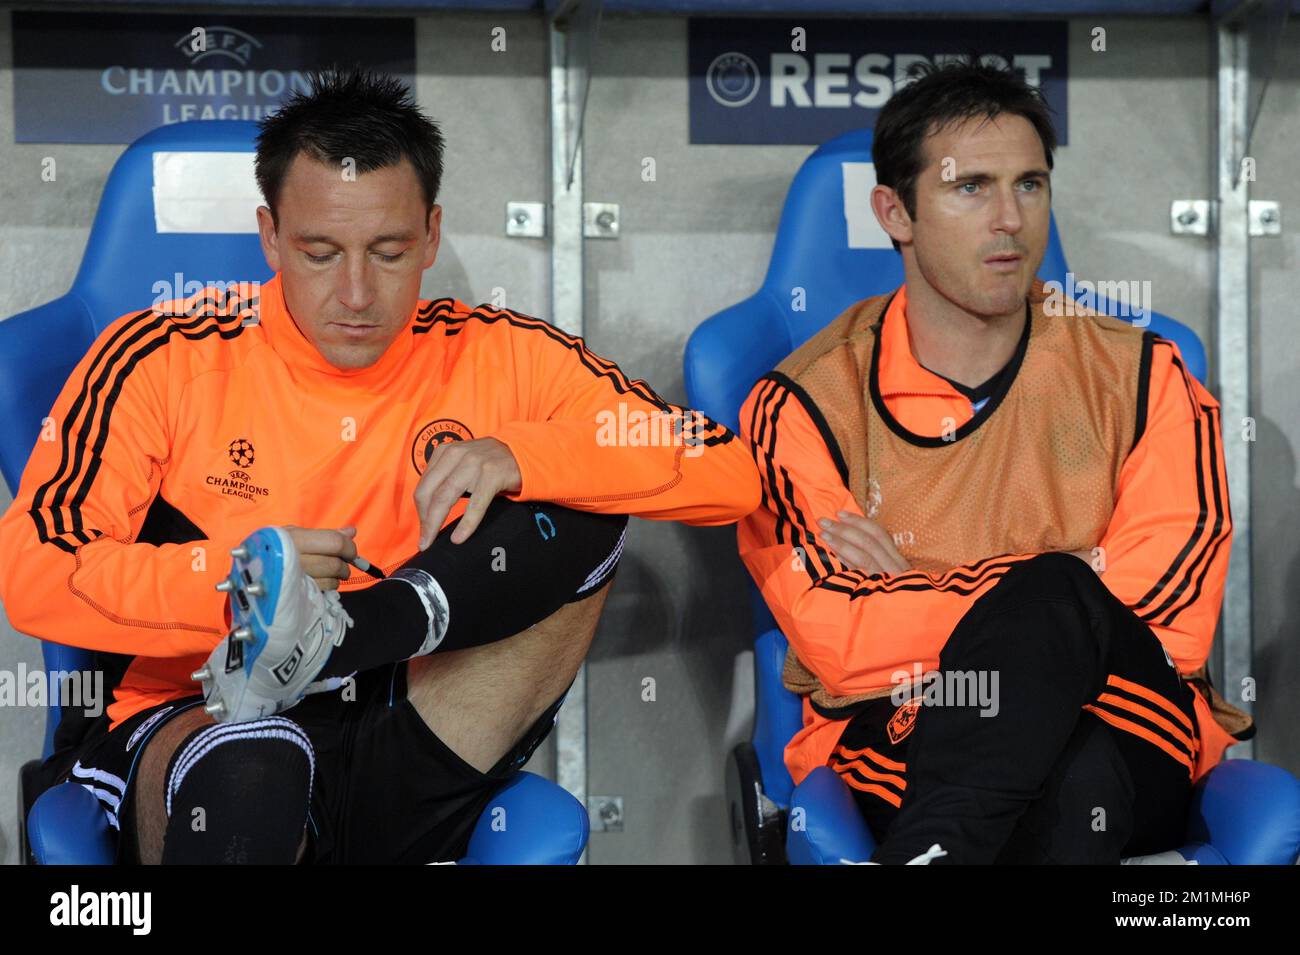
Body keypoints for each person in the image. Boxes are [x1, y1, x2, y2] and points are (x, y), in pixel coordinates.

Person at [0, 67, 761, 864]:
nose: (356, 293)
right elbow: (36, 571)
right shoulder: (161, 354)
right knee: (251, 769)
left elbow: (725, 466)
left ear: (432, 234)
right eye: (320, 253)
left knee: (584, 496)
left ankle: (345, 635)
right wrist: (246, 589)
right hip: (203, 725)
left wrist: (522, 454)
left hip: (407, 724)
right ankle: (301, 646)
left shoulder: (501, 352)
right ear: (269, 237)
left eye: (390, 251)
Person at [736, 55, 1253, 865]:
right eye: (970, 186)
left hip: (1131, 714)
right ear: (894, 212)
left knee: (1069, 664)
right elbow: (838, 636)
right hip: (907, 723)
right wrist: (1064, 591)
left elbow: (1170, 619)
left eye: (1031, 184)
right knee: (1067, 750)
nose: (1010, 218)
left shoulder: (1148, 375)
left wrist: (910, 580)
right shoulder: (800, 403)